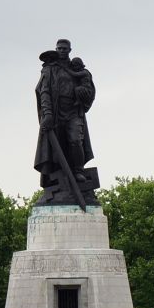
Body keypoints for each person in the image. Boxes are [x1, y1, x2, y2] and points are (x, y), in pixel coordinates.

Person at [33, 38, 99, 206]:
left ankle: (78, 171)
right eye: (59, 48)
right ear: (56, 49)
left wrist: (82, 92)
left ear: (70, 50)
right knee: (57, 148)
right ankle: (58, 178)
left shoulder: (77, 68)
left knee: (76, 140)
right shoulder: (49, 69)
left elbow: (90, 90)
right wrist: (46, 114)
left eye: (65, 48)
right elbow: (44, 91)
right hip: (55, 114)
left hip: (73, 112)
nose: (62, 50)